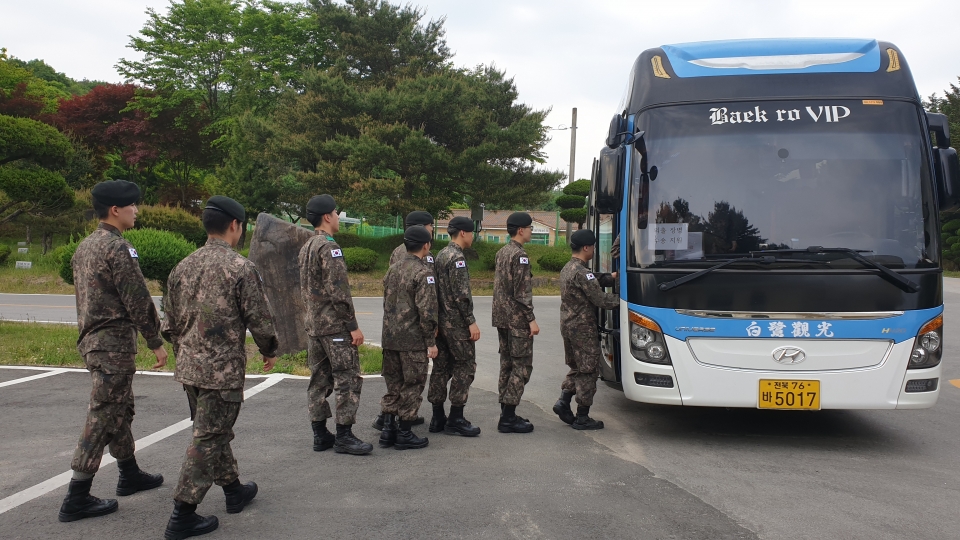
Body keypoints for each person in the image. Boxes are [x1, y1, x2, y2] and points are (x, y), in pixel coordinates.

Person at [160, 196, 279, 540]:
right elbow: (260, 318)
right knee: (208, 438)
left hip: (189, 370)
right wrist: (269, 349)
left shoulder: (181, 267)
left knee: (212, 432)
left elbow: (169, 324)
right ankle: (183, 513)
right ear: (235, 226)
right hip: (221, 372)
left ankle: (233, 490)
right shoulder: (241, 268)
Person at [58, 179, 167, 523]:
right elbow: (137, 298)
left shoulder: (85, 246)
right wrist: (156, 340)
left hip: (92, 343)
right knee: (104, 414)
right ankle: (77, 495)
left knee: (120, 409)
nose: (137, 210)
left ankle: (129, 473)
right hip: (113, 345)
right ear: (116, 210)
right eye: (133, 205)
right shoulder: (119, 248)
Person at [298, 194, 373, 456]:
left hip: (314, 326)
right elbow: (339, 291)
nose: (339, 216)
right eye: (336, 212)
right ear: (328, 216)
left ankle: (320, 434)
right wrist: (352, 325)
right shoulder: (330, 247)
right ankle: (344, 435)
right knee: (347, 379)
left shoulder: (307, 246)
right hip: (334, 327)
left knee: (318, 380)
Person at [378, 225, 438, 450]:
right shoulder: (424, 273)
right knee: (412, 384)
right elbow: (427, 312)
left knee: (393, 384)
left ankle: (387, 429)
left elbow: (386, 303)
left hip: (390, 338)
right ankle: (404, 431)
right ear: (426, 245)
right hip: (412, 341)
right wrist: (430, 342)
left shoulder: (392, 269)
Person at [554, 229, 619, 430]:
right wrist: (624, 302)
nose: (593, 250)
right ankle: (583, 416)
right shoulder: (583, 273)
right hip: (582, 329)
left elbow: (594, 279)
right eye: (593, 247)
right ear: (586, 248)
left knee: (577, 367)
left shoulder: (568, 268)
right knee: (589, 370)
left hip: (568, 326)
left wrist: (611, 277)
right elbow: (600, 299)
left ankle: (564, 401)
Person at [427, 216, 481, 437]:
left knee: (441, 368)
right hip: (457, 323)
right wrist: (471, 321)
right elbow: (461, 295)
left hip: (441, 322)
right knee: (465, 365)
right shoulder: (457, 258)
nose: (473, 237)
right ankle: (456, 418)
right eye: (471, 233)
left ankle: (437, 417)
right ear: (463, 233)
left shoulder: (440, 254)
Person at [492, 212, 539, 433]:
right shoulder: (520, 255)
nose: (531, 231)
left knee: (507, 364)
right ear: (520, 230)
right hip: (517, 319)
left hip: (502, 318)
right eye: (529, 227)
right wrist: (531, 319)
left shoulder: (502, 252)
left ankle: (506, 410)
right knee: (521, 366)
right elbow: (522, 292)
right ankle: (508, 417)